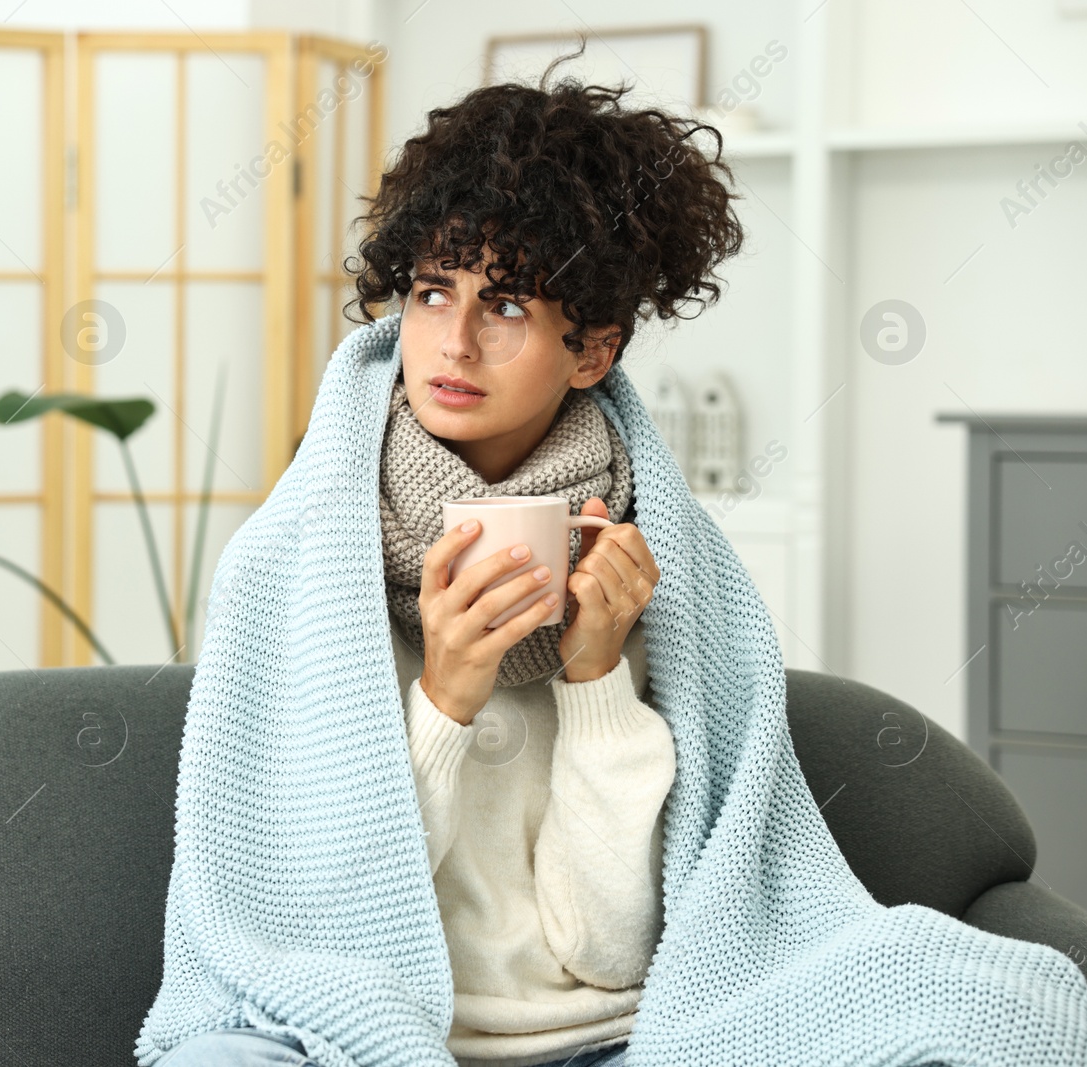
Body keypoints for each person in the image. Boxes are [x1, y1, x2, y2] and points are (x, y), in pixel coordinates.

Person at [150, 51, 744, 1067]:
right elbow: (310, 937)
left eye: (506, 305)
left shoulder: (648, 569)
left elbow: (606, 953)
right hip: (336, 1034)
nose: (453, 341)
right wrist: (445, 697)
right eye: (432, 291)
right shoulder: (291, 564)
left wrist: (597, 675)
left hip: (601, 1036)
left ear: (591, 351)